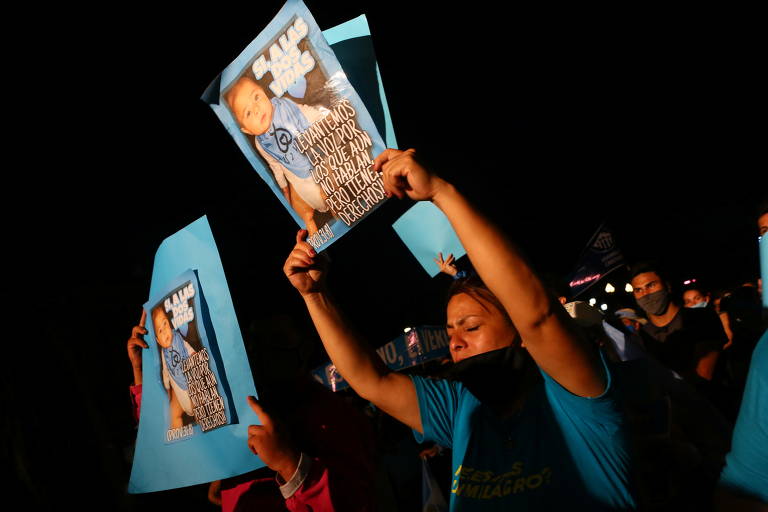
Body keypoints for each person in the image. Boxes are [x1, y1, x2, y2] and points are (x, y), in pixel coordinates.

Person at [283, 148, 636, 510]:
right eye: (451, 328)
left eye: (471, 326)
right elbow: (369, 380)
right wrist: (314, 295)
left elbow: (537, 316)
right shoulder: (460, 408)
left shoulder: (573, 395)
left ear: (521, 336)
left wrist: (440, 192)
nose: (454, 340)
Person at [127, 311, 376, 512]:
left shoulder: (331, 415)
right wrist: (143, 373)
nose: (260, 354)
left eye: (276, 341)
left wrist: (289, 465)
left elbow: (353, 502)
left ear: (305, 346)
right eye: (253, 343)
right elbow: (168, 449)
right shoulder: (240, 410)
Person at [224, 75, 330, 235]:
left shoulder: (284, 105)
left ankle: (338, 210)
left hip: (318, 161)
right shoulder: (261, 143)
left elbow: (305, 112)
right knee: (301, 201)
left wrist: (325, 118)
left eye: (256, 97)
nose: (257, 108)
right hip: (299, 179)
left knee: (332, 188)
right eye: (248, 113)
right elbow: (276, 165)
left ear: (265, 93)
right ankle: (310, 225)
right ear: (248, 131)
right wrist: (285, 189)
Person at [629, 263, 727, 382]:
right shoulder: (642, 336)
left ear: (668, 286)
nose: (645, 294)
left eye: (651, 285)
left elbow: (704, 374)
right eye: (638, 290)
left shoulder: (701, 317)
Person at [151, 305, 196, 429]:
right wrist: (168, 389)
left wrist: (193, 355)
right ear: (158, 341)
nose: (165, 330)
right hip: (178, 393)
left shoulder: (178, 338)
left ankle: (205, 433)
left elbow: (187, 347)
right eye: (160, 331)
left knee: (201, 410)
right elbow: (165, 370)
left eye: (165, 323)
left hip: (191, 387)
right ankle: (179, 440)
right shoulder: (163, 352)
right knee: (173, 414)